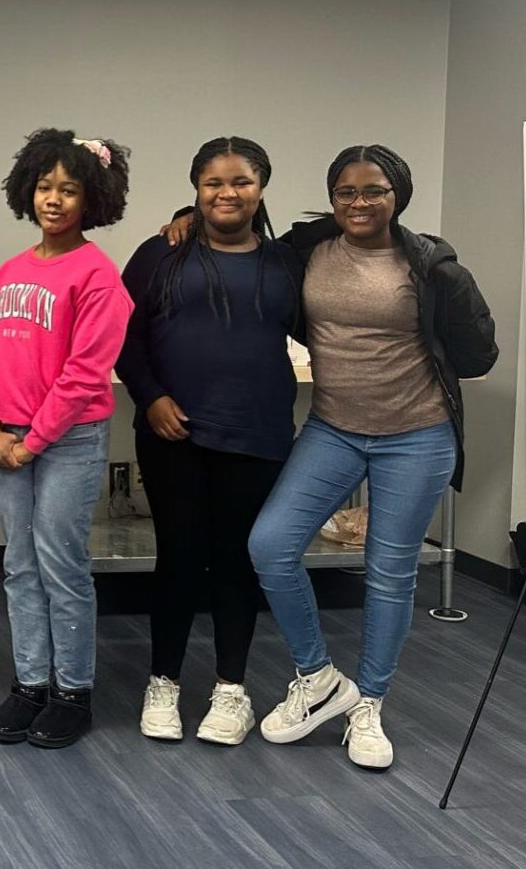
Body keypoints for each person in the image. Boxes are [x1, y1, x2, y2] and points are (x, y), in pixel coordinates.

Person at [163, 144, 496, 769]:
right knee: (270, 544)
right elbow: (242, 221)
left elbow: (479, 355)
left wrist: (443, 315)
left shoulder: (430, 264)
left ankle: (369, 704)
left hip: (417, 434)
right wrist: (188, 211)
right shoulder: (307, 248)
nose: (360, 202)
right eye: (346, 191)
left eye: (374, 191)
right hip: (334, 427)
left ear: (398, 195)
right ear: (332, 197)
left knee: (390, 574)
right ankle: (319, 678)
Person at [116, 137, 301, 746]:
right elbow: (125, 338)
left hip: (257, 432)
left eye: (241, 182)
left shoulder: (285, 263)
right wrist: (152, 396)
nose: (228, 193)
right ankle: (163, 681)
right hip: (174, 434)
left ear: (261, 187)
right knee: (178, 559)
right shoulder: (158, 254)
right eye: (214, 183)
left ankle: (231, 689)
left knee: (236, 562)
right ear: (195, 189)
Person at [0, 129, 133, 749]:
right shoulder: (11, 271)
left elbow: (84, 375)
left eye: (70, 190)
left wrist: (32, 441)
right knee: (18, 565)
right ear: (27, 191)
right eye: (45, 187)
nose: (54, 200)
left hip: (67, 442)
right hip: (9, 439)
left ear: (91, 199)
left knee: (61, 565)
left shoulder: (98, 275)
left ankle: (73, 691)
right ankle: (29, 683)